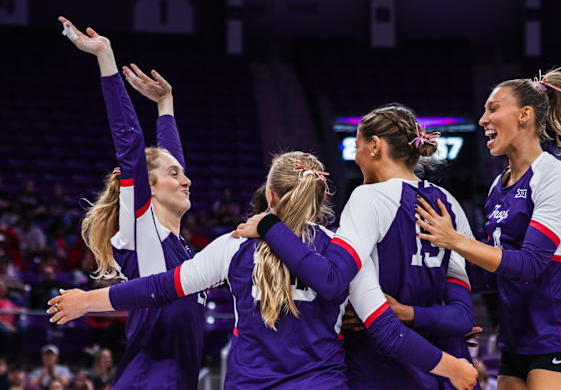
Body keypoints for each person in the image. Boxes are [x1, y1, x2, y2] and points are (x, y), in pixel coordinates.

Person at [48, 152, 478, 389]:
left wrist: (89, 300)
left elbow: (161, 288)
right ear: (319, 196)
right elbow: (386, 330)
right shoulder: (345, 252)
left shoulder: (235, 246)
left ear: (269, 196)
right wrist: (449, 365)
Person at [234, 104, 478, 389]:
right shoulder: (449, 203)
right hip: (440, 369)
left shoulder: (367, 198)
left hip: (382, 369)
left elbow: (331, 280)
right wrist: (412, 313)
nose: (356, 156)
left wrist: (269, 226)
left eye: (357, 146)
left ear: (375, 146)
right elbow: (462, 319)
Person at [412, 68, 561, 390]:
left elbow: (530, 265)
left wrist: (454, 239)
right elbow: (488, 275)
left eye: (493, 108)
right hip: (514, 344)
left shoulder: (558, 177)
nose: (483, 119)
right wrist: (442, 305)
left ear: (525, 115)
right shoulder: (498, 187)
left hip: (560, 341)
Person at [58, 16, 205, 390]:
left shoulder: (182, 249)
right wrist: (106, 59)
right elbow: (131, 148)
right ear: (149, 188)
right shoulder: (141, 233)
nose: (186, 180)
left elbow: (168, 161)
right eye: (174, 176)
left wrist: (166, 105)